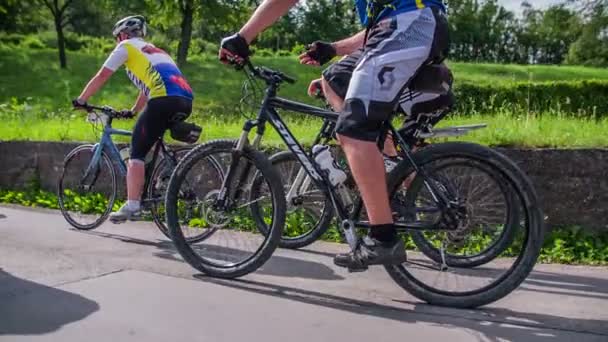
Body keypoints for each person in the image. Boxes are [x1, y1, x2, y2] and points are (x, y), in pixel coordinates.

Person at [219, 0, 450, 271]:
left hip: (409, 26)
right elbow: (375, 34)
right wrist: (332, 49)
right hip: (413, 26)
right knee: (337, 84)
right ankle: (385, 163)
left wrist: (243, 36)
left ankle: (383, 238)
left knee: (352, 129)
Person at [74, 15, 194, 223]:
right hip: (185, 99)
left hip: (163, 99)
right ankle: (157, 185)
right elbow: (147, 86)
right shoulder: (155, 50)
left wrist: (82, 99)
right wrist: (133, 110)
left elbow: (103, 75)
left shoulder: (126, 46)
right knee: (149, 140)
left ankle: (133, 206)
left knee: (136, 152)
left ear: (122, 35)